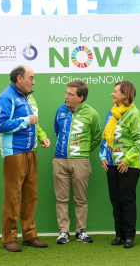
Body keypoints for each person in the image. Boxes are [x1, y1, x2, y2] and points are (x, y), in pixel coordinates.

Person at [0, 65, 50, 252]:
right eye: (31, 78)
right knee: (13, 196)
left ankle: (29, 235)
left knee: (30, 195)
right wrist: (25, 121)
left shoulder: (26, 98)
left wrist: (41, 135)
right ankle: (9, 238)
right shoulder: (6, 97)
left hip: (30, 151)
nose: (33, 82)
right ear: (19, 79)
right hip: (14, 153)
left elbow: (35, 123)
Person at [53, 80, 101, 244]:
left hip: (81, 160)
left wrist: (83, 152)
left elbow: (96, 137)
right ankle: (63, 232)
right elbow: (57, 131)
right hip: (60, 159)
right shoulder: (60, 110)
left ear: (80, 97)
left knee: (81, 199)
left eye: (70, 94)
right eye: (66, 93)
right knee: (61, 198)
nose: (66, 96)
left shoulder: (92, 113)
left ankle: (81, 231)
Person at [100, 81, 140, 248]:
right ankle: (119, 235)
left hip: (129, 166)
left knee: (127, 201)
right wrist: (103, 157)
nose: (112, 94)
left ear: (124, 95)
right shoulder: (111, 114)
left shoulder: (134, 114)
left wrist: (126, 160)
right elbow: (105, 139)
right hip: (111, 165)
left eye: (115, 92)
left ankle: (129, 237)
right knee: (115, 201)